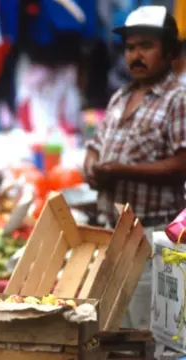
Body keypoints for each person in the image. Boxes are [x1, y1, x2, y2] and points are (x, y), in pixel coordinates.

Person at [83, 5, 186, 329]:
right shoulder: (120, 96)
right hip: (113, 235)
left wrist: (122, 171)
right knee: (113, 329)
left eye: (146, 46)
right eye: (130, 47)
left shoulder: (177, 98)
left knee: (148, 331)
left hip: (153, 236)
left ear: (169, 51)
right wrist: (92, 166)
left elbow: (182, 163)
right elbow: (95, 147)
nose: (136, 55)